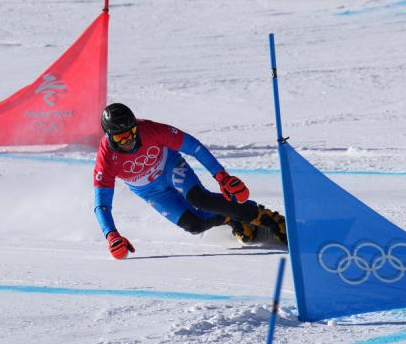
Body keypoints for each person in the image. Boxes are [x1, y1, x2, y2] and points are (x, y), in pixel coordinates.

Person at [93, 103, 287, 259]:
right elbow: (101, 205)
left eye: (131, 132)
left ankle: (268, 218)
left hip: (169, 167)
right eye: (120, 137)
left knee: (200, 199)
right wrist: (111, 235)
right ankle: (230, 217)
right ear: (109, 136)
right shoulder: (106, 159)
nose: (128, 140)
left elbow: (194, 147)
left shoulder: (150, 130)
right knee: (195, 225)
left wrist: (222, 176)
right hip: (150, 191)